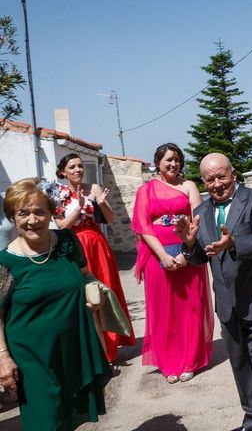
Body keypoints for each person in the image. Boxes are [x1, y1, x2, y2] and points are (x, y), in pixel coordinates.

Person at [175, 153, 252, 431]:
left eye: (221, 176)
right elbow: (200, 259)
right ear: (203, 182)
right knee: (242, 367)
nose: (216, 184)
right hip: (228, 303)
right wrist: (190, 245)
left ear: (233, 174)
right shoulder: (201, 213)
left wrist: (233, 244)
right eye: (209, 179)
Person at [0, 178, 111, 430]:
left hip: (73, 346)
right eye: (23, 213)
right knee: (46, 420)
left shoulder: (67, 241)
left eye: (40, 211)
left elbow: (84, 274)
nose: (32, 220)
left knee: (70, 416)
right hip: (33, 357)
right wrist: (3, 357)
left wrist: (97, 289)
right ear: (13, 217)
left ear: (51, 213)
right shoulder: (5, 262)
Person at [132, 143, 214, 384]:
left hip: (186, 252)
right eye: (168, 159)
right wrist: (163, 257)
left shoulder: (189, 186)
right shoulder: (145, 190)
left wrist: (184, 253)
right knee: (164, 310)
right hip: (158, 257)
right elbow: (143, 225)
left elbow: (197, 219)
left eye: (177, 159)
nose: (173, 164)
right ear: (157, 163)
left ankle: (190, 359)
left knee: (189, 308)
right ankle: (169, 361)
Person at [54, 153, 136, 365]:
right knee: (83, 296)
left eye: (80, 166)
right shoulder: (57, 193)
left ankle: (109, 348)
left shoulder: (95, 189)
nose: (78, 170)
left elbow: (109, 219)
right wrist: (79, 205)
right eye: (72, 167)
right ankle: (88, 348)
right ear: (63, 171)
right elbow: (62, 226)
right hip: (74, 246)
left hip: (97, 245)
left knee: (104, 292)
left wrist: (101, 203)